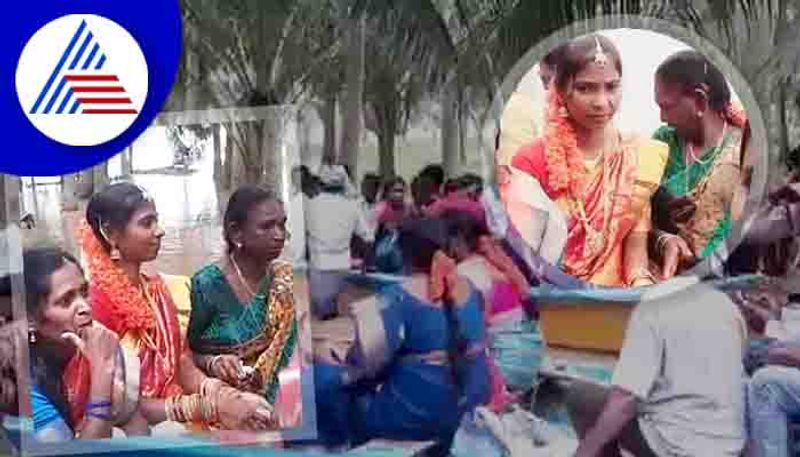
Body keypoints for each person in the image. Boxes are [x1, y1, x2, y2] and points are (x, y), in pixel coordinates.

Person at [80, 182, 274, 431]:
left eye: (156, 221)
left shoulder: (157, 290)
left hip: (176, 406)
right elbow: (116, 404)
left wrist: (221, 393)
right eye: (146, 223)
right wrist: (205, 406)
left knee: (259, 416)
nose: (159, 231)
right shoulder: (96, 306)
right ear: (111, 234)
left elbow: (182, 362)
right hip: (133, 429)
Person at [313, 217, 491, 449]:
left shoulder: (397, 297)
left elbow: (364, 364)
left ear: (403, 253)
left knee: (323, 377)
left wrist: (330, 357)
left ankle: (338, 447)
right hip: (465, 412)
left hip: (410, 420)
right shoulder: (469, 288)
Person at [508, 34, 668, 286]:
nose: (602, 102)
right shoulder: (532, 161)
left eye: (611, 86)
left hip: (620, 301)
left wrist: (641, 290)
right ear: (560, 90)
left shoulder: (641, 157)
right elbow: (524, 261)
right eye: (585, 88)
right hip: (556, 302)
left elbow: (635, 259)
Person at [568, 278, 747, 456]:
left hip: (679, 447)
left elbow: (624, 400)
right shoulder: (726, 305)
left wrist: (585, 451)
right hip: (729, 446)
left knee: (582, 396)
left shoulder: (653, 306)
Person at [1, 248, 147, 441]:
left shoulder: (98, 342)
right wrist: (102, 375)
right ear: (30, 320)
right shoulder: (21, 381)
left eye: (84, 292)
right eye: (65, 301)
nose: (85, 307)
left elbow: (135, 421)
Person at [188, 186, 301, 428]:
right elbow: (184, 356)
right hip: (227, 402)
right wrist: (215, 362)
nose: (279, 235)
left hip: (282, 396)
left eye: (282, 225)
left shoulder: (284, 281)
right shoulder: (207, 286)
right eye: (267, 226)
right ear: (236, 233)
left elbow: (292, 351)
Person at [650, 50, 748, 280]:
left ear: (700, 100)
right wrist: (662, 237)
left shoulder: (743, 152)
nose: (662, 117)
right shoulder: (663, 142)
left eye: (667, 106)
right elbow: (636, 214)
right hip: (662, 273)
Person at [443, 211, 541, 401]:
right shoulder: (499, 266)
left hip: (505, 368)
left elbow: (476, 332)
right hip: (528, 364)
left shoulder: (467, 274)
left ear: (456, 242)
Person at [305, 166, 374, 318]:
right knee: (339, 318)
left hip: (319, 267)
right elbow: (368, 238)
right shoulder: (352, 206)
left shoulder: (309, 205)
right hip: (343, 268)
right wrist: (366, 265)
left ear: (321, 184)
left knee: (321, 318)